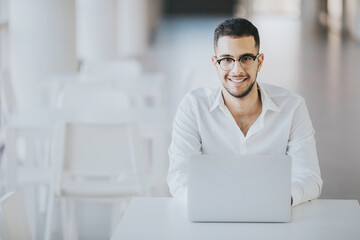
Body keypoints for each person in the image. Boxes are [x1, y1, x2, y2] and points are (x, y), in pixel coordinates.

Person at [167, 18, 323, 207]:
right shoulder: (193, 107)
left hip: (271, 215)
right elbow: (179, 175)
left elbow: (309, 177)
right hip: (211, 214)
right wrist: (208, 202)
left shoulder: (292, 107)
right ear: (215, 63)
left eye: (246, 58)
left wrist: (278, 200)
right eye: (227, 60)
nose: (237, 70)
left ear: (260, 61)